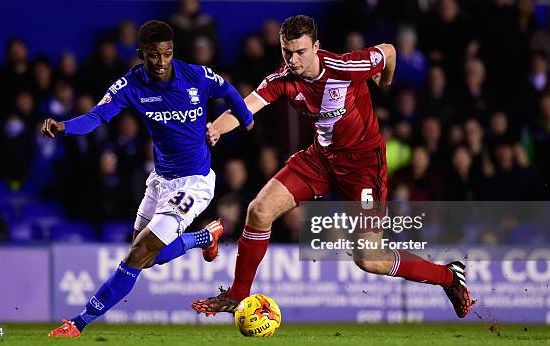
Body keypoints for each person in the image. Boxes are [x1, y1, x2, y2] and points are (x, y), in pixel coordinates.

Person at [192, 15, 471, 319]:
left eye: (300, 52)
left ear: (316, 46)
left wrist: (385, 82)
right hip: (320, 159)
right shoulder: (283, 79)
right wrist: (217, 128)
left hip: (363, 167)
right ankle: (237, 295)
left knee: (369, 258)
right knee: (259, 210)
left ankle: (449, 276)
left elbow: (389, 50)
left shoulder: (347, 67)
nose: (293, 60)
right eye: (287, 52)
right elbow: (246, 107)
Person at [42, 20, 253, 337]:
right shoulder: (131, 85)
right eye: (153, 55)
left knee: (137, 256)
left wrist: (246, 120)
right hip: (160, 181)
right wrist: (64, 127)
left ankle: (78, 323)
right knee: (146, 258)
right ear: (142, 54)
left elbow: (227, 90)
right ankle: (205, 237)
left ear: (173, 52)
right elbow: (97, 116)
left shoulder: (197, 76)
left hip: (194, 183)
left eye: (167, 54)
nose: (161, 62)